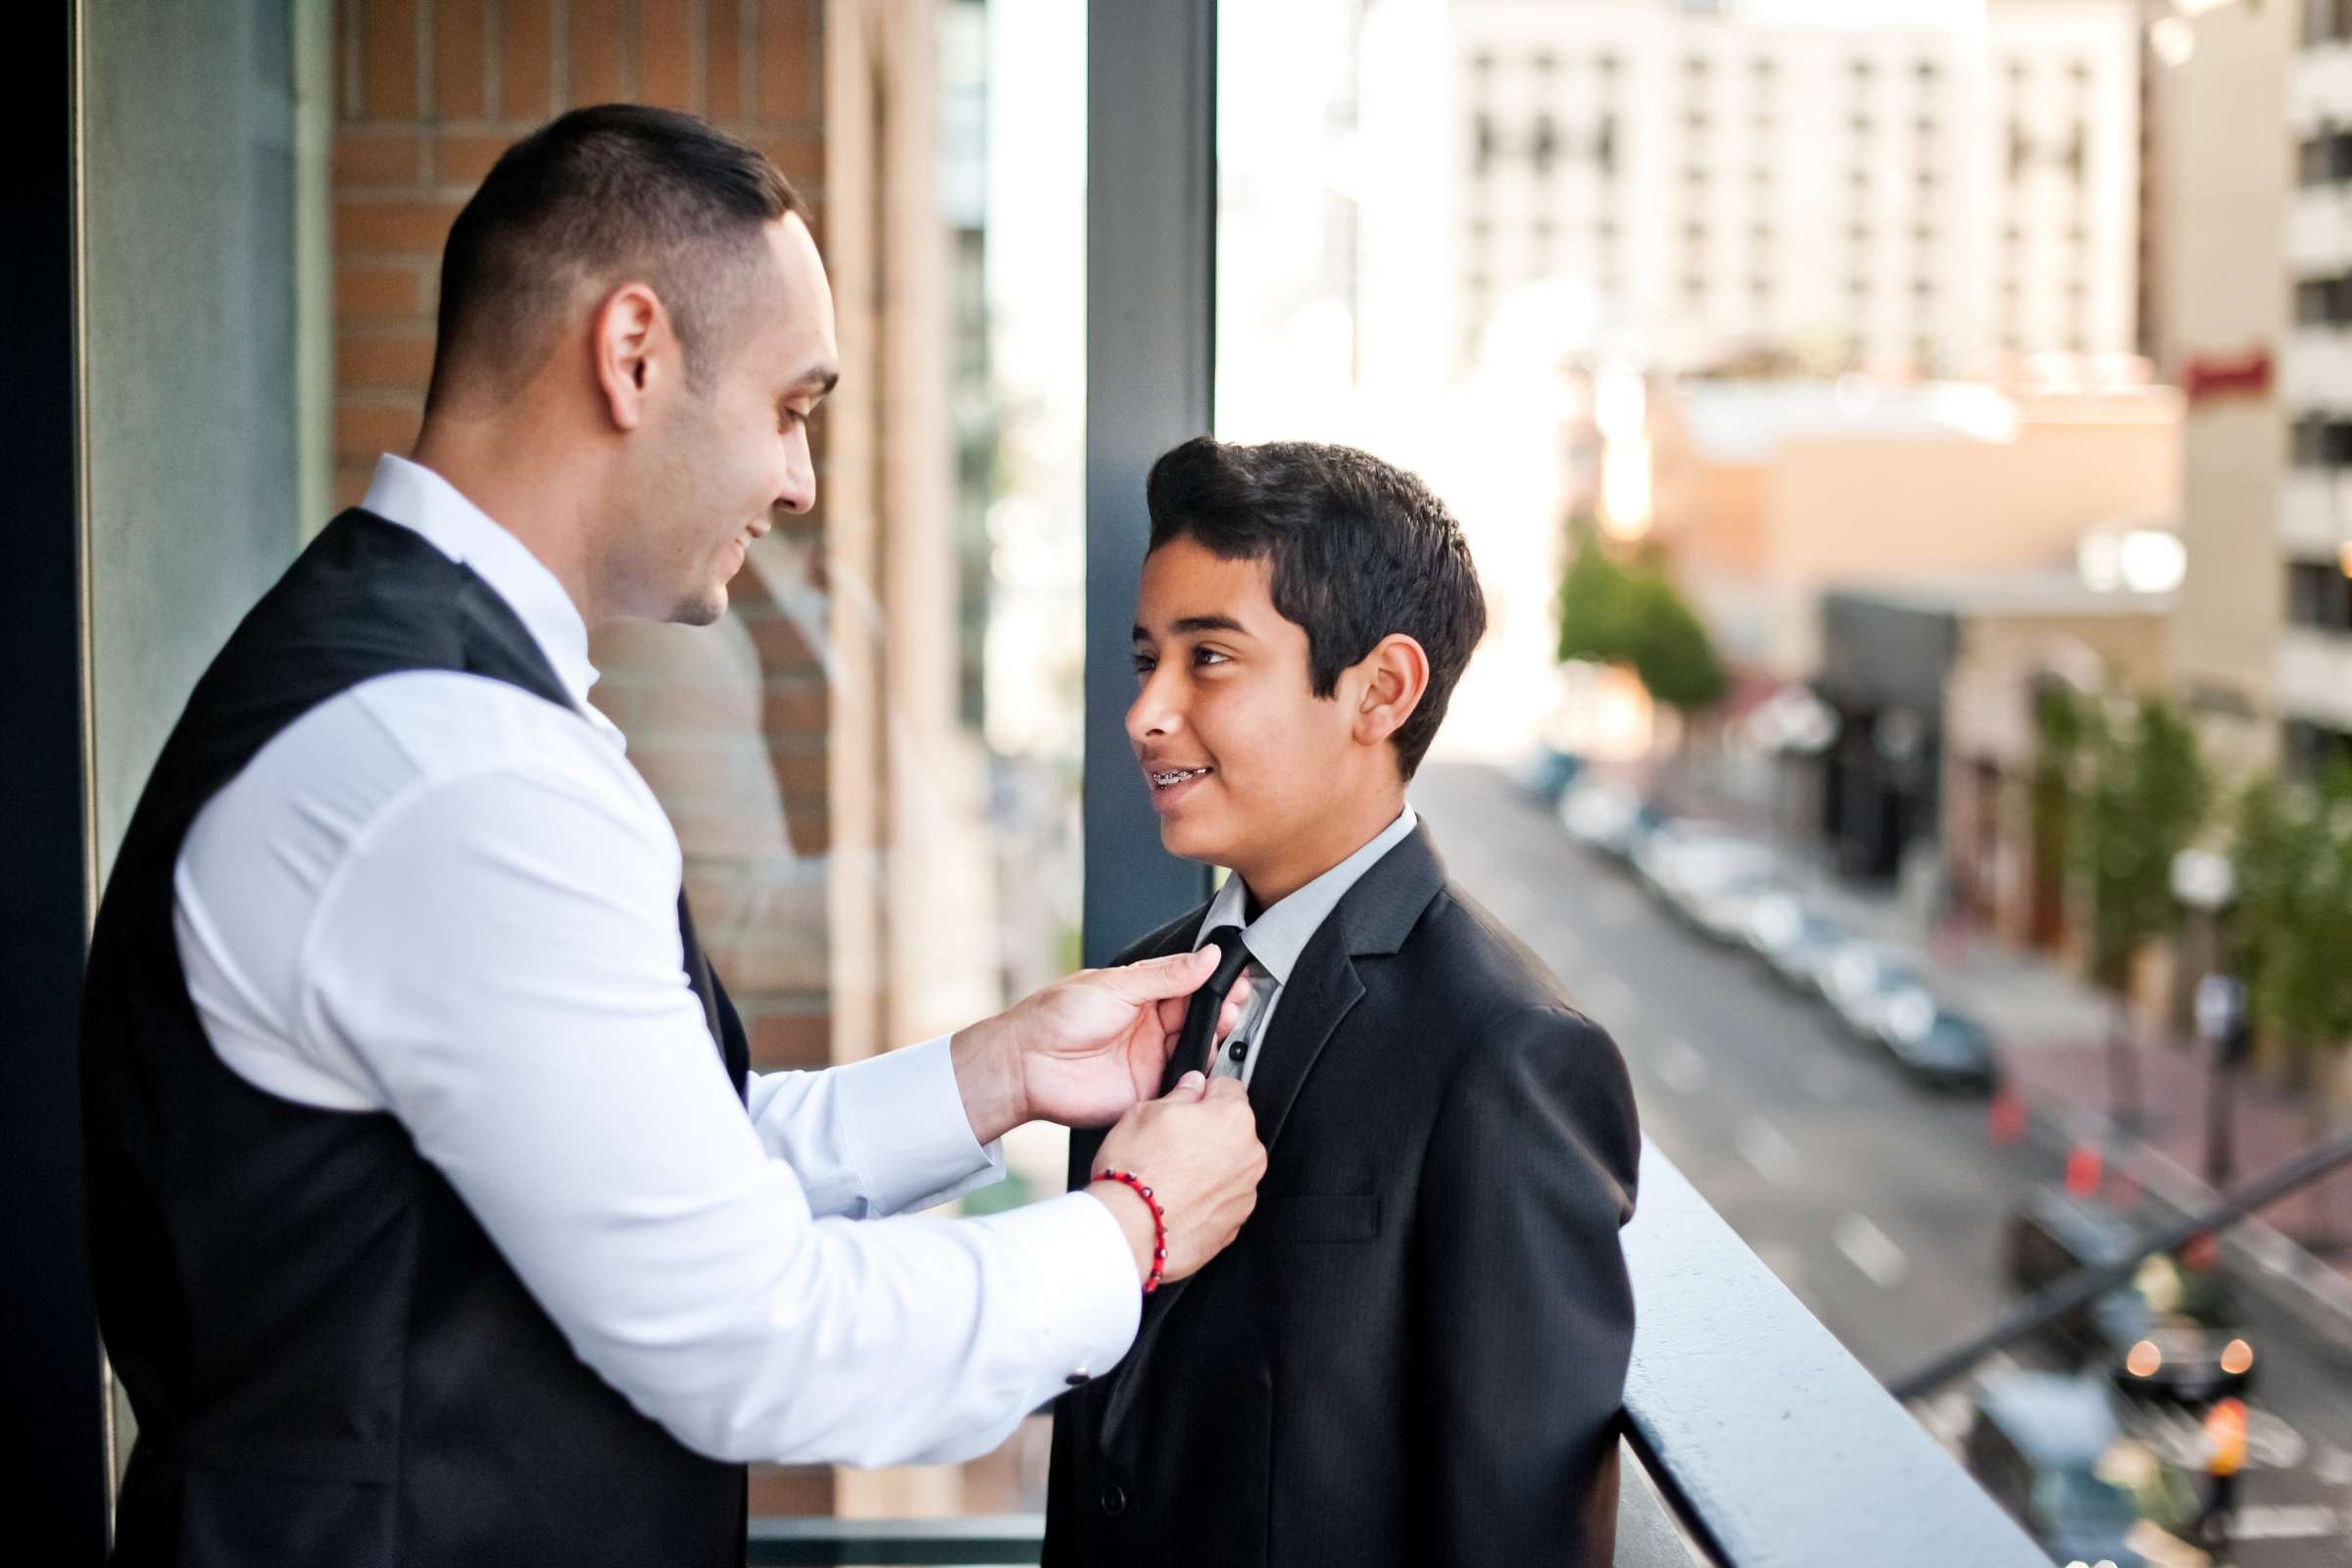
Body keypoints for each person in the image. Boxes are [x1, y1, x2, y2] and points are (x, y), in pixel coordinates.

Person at [77, 106, 1265, 1568]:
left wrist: (995, 1075)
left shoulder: (417, 696)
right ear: (632, 353)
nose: (801, 482)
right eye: (791, 407)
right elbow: (759, 1336)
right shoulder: (453, 770)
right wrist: (1129, 1231)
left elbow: (652, 1157)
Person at [1044, 437, 1642, 1567]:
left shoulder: (1507, 1055)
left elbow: (1516, 1535)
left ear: (1382, 690)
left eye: (1209, 659)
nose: (1145, 713)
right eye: (1144, 660)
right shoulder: (1136, 1000)